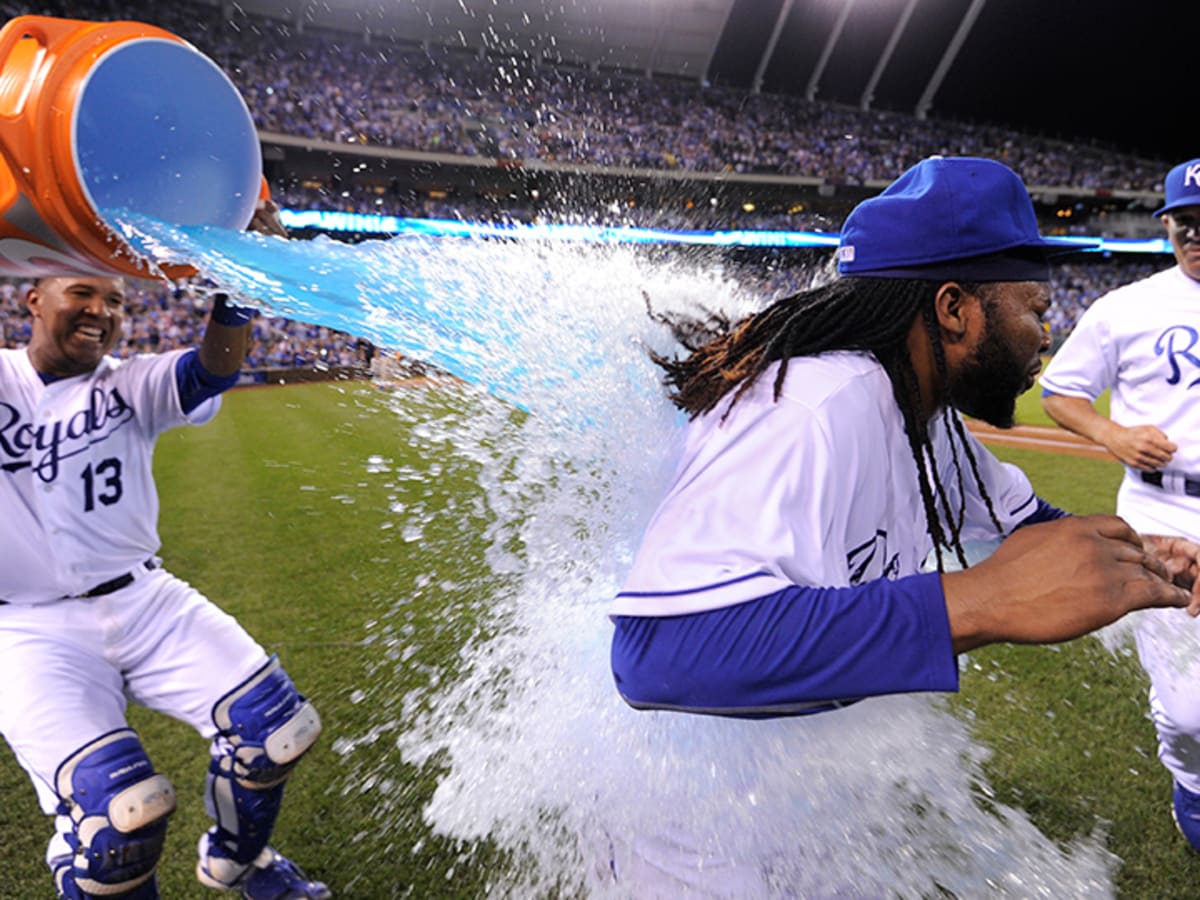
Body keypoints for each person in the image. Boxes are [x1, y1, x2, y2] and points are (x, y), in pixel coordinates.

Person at [609, 156, 1200, 722]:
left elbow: (1023, 520)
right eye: (1035, 311)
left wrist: (1141, 555)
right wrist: (981, 599)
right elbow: (657, 651)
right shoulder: (808, 405)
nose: (1044, 337)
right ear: (954, 309)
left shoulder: (923, 408)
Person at [0, 274, 330, 898]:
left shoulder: (127, 380)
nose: (101, 311)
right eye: (82, 293)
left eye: (117, 301)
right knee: (120, 821)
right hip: (25, 629)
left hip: (145, 600)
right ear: (33, 298)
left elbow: (211, 371)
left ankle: (238, 861)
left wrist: (237, 289)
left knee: (276, 729)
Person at [1040, 157, 1200, 850]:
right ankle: (1191, 785)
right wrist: (1111, 432)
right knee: (1192, 709)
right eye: (1184, 223)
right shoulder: (1126, 306)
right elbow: (1059, 392)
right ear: (1166, 224)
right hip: (1161, 512)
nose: (1195, 235)